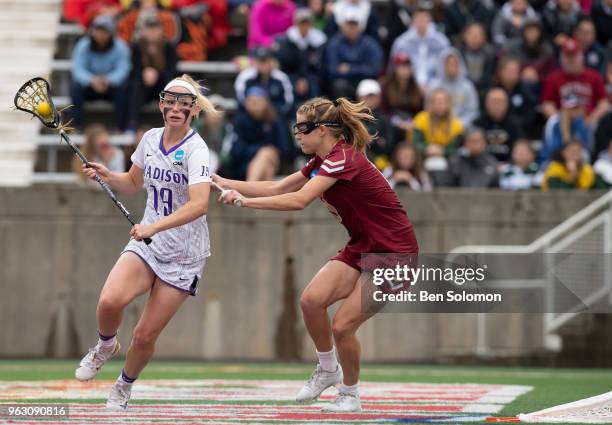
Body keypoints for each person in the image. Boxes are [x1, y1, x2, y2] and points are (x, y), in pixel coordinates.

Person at [213, 97, 418, 413]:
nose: (297, 134)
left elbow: (297, 200)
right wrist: (218, 180)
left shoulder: (341, 158)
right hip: (363, 246)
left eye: (302, 128)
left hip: (395, 254)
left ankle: (350, 395)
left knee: (342, 326)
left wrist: (243, 201)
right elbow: (278, 187)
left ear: (322, 130)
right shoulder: (323, 160)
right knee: (311, 301)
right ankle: (327, 368)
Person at [73, 75, 219, 411]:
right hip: (147, 244)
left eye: (184, 104)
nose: (176, 109)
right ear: (161, 104)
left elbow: (199, 204)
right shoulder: (150, 139)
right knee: (110, 301)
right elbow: (134, 181)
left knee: (144, 336)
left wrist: (154, 227)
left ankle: (123, 386)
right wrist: (107, 175)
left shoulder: (197, 150)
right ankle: (105, 346)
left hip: (184, 255)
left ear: (193, 110)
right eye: (170, 101)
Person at [70, 14, 131, 131]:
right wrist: (92, 80)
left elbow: (123, 70)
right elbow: (78, 69)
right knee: (75, 87)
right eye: (98, 30)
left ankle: (120, 127)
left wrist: (107, 80)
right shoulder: (83, 45)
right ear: (92, 31)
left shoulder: (121, 47)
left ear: (111, 33)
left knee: (125, 87)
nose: (101, 34)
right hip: (90, 86)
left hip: (110, 86)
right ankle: (76, 127)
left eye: (104, 31)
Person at [541, 38, 610, 128]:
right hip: (562, 123)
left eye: (574, 55)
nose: (571, 60)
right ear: (561, 57)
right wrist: (560, 121)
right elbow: (547, 104)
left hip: (589, 123)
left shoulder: (594, 76)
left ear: (582, 56)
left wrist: (592, 119)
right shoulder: (553, 78)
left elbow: (604, 103)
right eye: (568, 56)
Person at [226, 86, 290, 180]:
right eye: (251, 101)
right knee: (266, 161)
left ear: (266, 102)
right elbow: (236, 151)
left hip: (275, 161)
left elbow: (285, 148)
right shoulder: (240, 120)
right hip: (245, 164)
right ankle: (261, 193)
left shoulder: (275, 119)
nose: (254, 105)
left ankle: (249, 189)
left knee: (267, 155)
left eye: (258, 101)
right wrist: (261, 150)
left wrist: (268, 152)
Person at [128, 12, 178, 130]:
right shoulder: (137, 46)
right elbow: (134, 69)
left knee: (170, 88)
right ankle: (132, 123)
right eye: (149, 29)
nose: (152, 32)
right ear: (143, 31)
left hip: (161, 84)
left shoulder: (168, 46)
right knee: (134, 87)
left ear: (161, 30)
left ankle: (171, 124)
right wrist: (144, 74)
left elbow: (172, 69)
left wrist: (157, 75)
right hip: (143, 84)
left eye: (155, 28)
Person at [389, 7, 450, 90]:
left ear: (430, 21)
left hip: (437, 86)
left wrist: (433, 85)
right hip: (408, 85)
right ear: (413, 22)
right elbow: (393, 68)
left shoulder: (441, 42)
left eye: (424, 19)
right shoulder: (401, 43)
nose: (422, 23)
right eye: (418, 19)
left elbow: (447, 67)